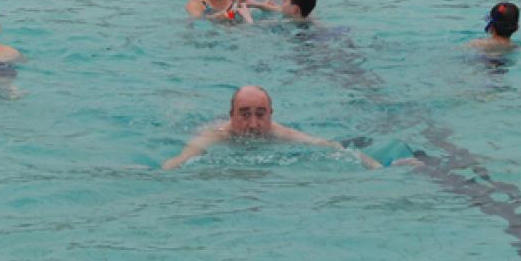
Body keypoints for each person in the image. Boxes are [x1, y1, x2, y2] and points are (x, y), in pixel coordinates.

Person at [162, 86, 386, 170]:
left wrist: (375, 167)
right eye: (244, 114)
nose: (253, 124)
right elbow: (181, 160)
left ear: (271, 115)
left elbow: (329, 147)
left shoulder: (281, 133)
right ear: (231, 116)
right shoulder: (215, 135)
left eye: (260, 115)